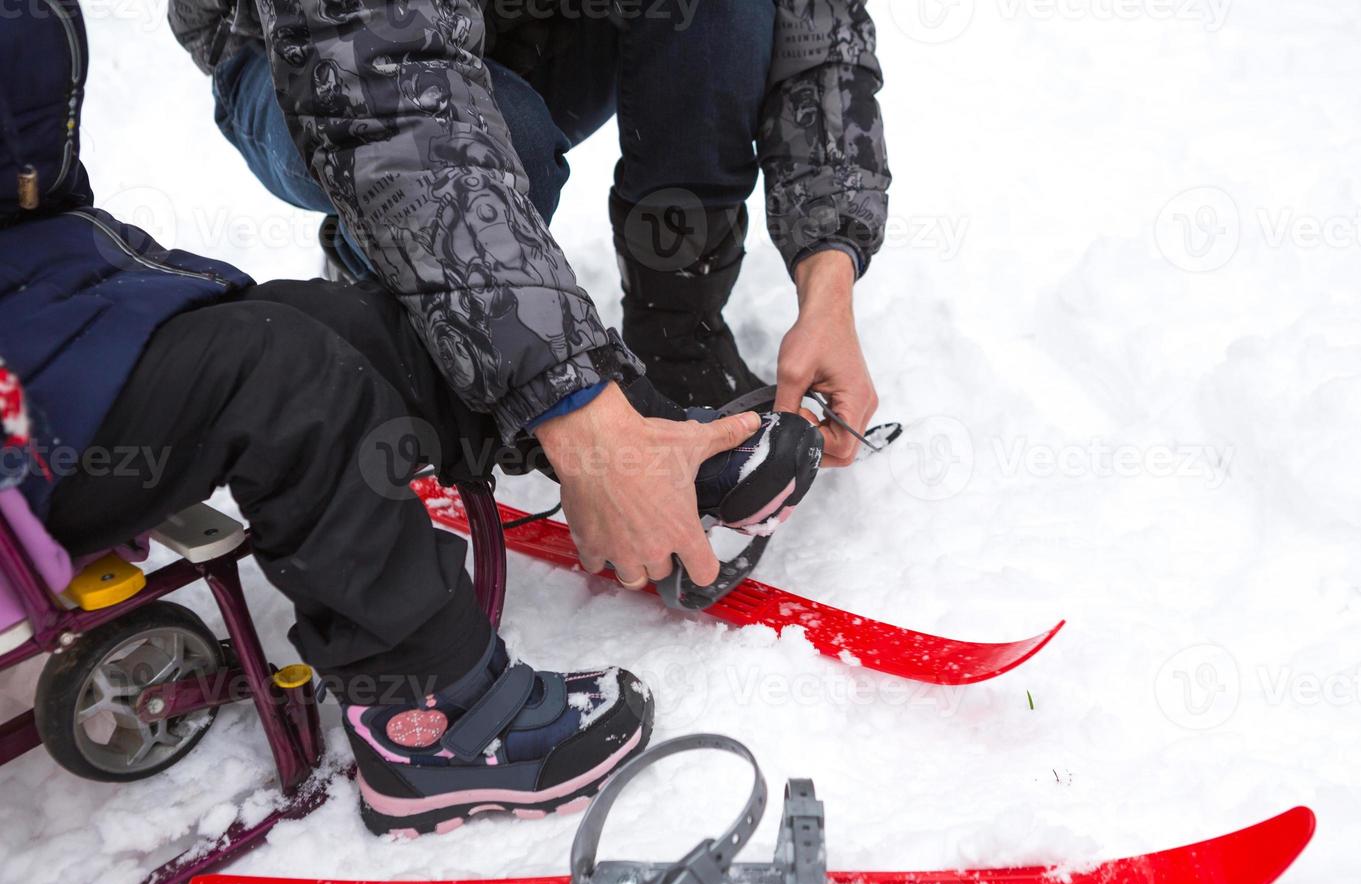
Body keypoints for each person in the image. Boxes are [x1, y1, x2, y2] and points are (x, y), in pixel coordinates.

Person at [0, 0, 819, 836]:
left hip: (55, 309)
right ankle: (431, 714)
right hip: (21, 425)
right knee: (287, 378)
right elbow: (387, 90)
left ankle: (632, 436)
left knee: (341, 330)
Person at [166, 0, 890, 591]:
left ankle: (678, 334)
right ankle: (393, 303)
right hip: (305, 56)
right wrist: (568, 403)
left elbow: (814, 26)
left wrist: (829, 279)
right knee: (501, 139)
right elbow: (386, 101)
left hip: (525, 25)